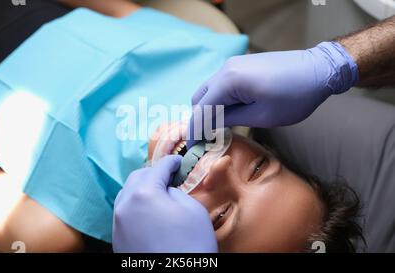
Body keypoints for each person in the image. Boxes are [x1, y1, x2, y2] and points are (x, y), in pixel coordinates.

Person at [113, 15, 395, 252]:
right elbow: (126, 14)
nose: (221, 165)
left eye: (220, 217)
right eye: (258, 168)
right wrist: (337, 62)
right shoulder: (213, 63)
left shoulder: (87, 209)